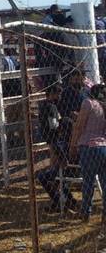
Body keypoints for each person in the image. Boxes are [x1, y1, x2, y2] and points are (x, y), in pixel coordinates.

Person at [36, 84, 77, 213]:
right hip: (55, 143)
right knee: (56, 174)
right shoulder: (51, 107)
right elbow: (54, 125)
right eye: (57, 94)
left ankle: (61, 201)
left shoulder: (42, 106)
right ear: (51, 94)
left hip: (54, 143)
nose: (59, 97)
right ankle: (64, 201)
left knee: (54, 175)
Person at [69, 84, 106, 222]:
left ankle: (85, 212)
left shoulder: (88, 103)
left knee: (88, 182)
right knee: (104, 182)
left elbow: (79, 126)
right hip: (103, 146)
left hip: (88, 146)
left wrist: (73, 145)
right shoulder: (103, 106)